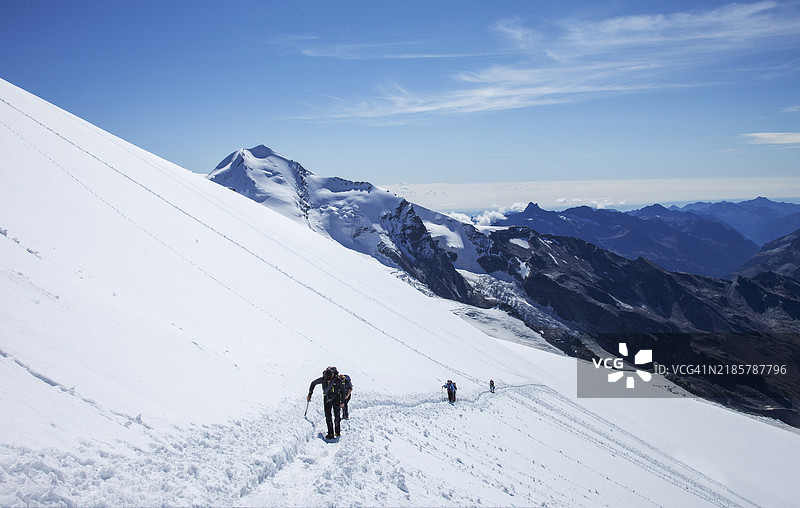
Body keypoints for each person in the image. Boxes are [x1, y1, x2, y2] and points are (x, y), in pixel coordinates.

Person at [308, 366, 345, 439]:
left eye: (329, 379)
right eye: (327, 379)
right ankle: (330, 433)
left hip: (336, 399)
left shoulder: (338, 381)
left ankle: (337, 432)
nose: (328, 381)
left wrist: (342, 402)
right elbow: (313, 383)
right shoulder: (323, 379)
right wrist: (310, 394)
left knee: (337, 416)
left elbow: (343, 391)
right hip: (327, 398)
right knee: (328, 416)